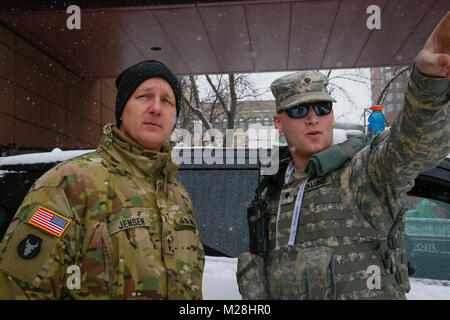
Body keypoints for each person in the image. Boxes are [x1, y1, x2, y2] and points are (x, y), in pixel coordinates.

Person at [237, 12, 450, 300]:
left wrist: (427, 84)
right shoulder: (271, 189)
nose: (313, 118)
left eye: (322, 108)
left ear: (332, 116)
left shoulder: (364, 172)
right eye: (299, 111)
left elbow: (412, 147)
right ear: (278, 123)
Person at [0, 60, 204, 299]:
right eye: (145, 96)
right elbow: (17, 290)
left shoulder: (178, 196)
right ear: (121, 109)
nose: (157, 108)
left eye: (167, 101)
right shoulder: (68, 184)